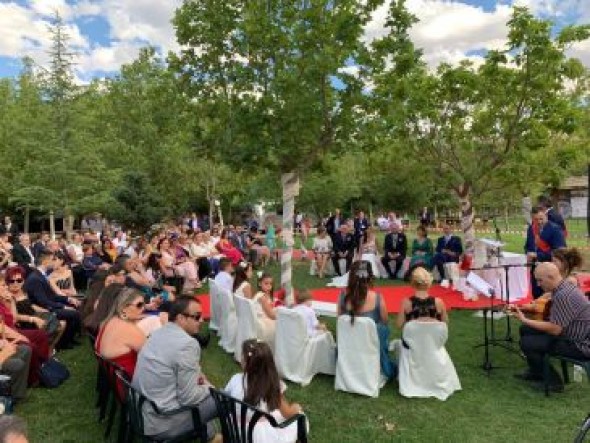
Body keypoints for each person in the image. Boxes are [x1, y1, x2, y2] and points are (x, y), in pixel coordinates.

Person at [132, 298, 221, 442]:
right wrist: (209, 388)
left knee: (201, 390)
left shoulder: (159, 332)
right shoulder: (188, 344)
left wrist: (199, 381)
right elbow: (189, 398)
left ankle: (211, 436)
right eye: (196, 316)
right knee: (225, 399)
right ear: (180, 318)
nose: (202, 320)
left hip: (143, 411)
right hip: (161, 422)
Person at [511, 263, 590, 392]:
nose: (538, 284)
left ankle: (554, 383)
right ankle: (537, 372)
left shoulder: (563, 296)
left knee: (527, 343)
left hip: (579, 345)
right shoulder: (563, 288)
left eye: (540, 280)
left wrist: (524, 319)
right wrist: (523, 310)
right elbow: (551, 317)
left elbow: (555, 329)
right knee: (525, 330)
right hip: (574, 335)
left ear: (551, 277)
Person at [225, 339, 305, 442]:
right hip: (255, 437)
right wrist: (295, 408)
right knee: (301, 418)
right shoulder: (270, 385)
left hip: (234, 429)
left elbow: (226, 398)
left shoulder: (235, 379)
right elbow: (287, 414)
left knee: (272, 413)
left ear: (244, 362)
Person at [337, 261, 395, 379]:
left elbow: (340, 320)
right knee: (383, 329)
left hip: (349, 344)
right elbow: (385, 321)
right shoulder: (377, 297)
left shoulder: (343, 296)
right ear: (370, 277)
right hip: (369, 344)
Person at [23, 250, 81, 350]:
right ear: (45, 261)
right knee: (74, 314)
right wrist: (63, 306)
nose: (54, 262)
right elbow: (43, 302)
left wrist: (68, 299)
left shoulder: (41, 275)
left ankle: (68, 339)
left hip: (49, 304)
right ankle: (63, 344)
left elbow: (52, 296)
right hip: (43, 310)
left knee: (75, 306)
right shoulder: (35, 278)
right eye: (52, 259)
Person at [95, 288, 146, 396]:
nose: (143, 308)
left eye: (144, 304)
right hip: (131, 389)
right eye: (139, 305)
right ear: (123, 308)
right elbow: (155, 358)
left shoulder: (109, 321)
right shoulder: (130, 330)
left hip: (115, 381)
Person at [525, 207, 566, 298]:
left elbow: (560, 252)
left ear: (546, 216)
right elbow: (528, 245)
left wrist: (538, 255)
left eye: (541, 218)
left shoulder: (555, 229)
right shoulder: (531, 229)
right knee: (536, 295)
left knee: (549, 297)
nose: (539, 222)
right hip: (535, 268)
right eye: (536, 219)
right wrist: (528, 253)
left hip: (549, 268)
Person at [252, 274, 277, 347]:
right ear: (260, 283)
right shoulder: (262, 297)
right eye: (266, 283)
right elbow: (272, 316)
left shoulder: (258, 293)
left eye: (271, 284)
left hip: (257, 320)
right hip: (262, 323)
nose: (269, 286)